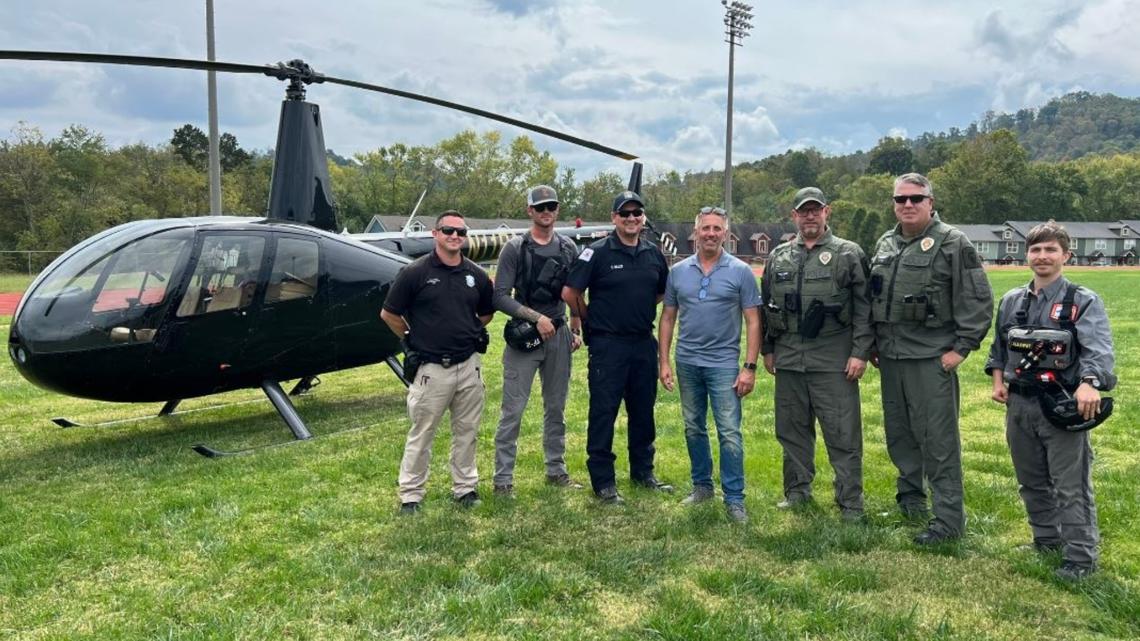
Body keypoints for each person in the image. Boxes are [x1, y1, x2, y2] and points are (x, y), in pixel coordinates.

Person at [985, 222, 1116, 580]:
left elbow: (1098, 349)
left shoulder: (1082, 301)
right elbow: (999, 349)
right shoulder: (1012, 301)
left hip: (1061, 406)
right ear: (1027, 255)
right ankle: (1046, 539)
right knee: (1030, 479)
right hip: (1019, 404)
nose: (1042, 257)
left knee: (1070, 485)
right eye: (1036, 250)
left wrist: (1090, 383)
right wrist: (998, 381)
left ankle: (1080, 558)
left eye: (1050, 250)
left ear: (1065, 255)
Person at [868, 173, 993, 544]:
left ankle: (948, 521)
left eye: (916, 198)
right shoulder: (886, 242)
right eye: (900, 199)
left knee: (938, 441)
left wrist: (961, 348)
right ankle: (910, 500)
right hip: (891, 357)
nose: (907, 205)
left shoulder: (953, 243)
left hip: (930, 358)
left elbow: (978, 299)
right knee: (900, 434)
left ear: (931, 202)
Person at [760, 187, 872, 521]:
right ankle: (797, 491)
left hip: (834, 356)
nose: (810, 216)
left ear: (827, 212)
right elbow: (767, 305)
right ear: (793, 215)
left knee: (842, 431)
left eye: (815, 210)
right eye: (803, 211)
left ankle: (850, 501)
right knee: (792, 429)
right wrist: (768, 349)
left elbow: (866, 308)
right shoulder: (778, 255)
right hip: (789, 355)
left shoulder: (848, 253)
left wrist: (860, 352)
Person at [380, 210, 495, 514]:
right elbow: (389, 313)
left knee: (467, 432)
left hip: (468, 366)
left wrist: (470, 330)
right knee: (422, 433)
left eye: (460, 232)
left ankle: (465, 488)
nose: (455, 236)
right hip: (432, 369)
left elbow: (486, 312)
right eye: (448, 230)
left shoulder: (476, 275)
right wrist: (410, 337)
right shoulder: (414, 273)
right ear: (435, 234)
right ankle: (411, 495)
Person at [562, 190, 672, 504]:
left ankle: (643, 471)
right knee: (603, 413)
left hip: (642, 343)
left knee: (643, 412)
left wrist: (636, 309)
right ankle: (604, 482)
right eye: (625, 214)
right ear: (614, 218)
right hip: (608, 345)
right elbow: (570, 292)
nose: (631, 218)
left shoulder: (652, 254)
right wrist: (589, 318)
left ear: (643, 218)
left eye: (637, 213)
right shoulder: (596, 252)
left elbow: (661, 292)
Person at [658, 206, 761, 522]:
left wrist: (749, 366)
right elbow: (668, 318)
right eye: (706, 228)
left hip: (723, 366)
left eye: (718, 229)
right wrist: (664, 361)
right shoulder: (678, 272)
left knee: (729, 432)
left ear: (726, 234)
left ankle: (734, 498)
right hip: (687, 361)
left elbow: (754, 322)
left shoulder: (740, 271)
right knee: (693, 427)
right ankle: (702, 487)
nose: (711, 234)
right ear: (696, 232)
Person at [491, 185, 584, 497]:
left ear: (557, 210)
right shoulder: (515, 248)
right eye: (540, 207)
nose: (546, 212)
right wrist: (535, 318)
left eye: (551, 207)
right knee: (513, 410)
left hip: (558, 335)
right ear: (529, 211)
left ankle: (555, 469)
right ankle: (503, 480)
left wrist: (574, 325)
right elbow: (499, 296)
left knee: (556, 407)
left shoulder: (569, 247)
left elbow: (574, 290)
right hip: (525, 338)